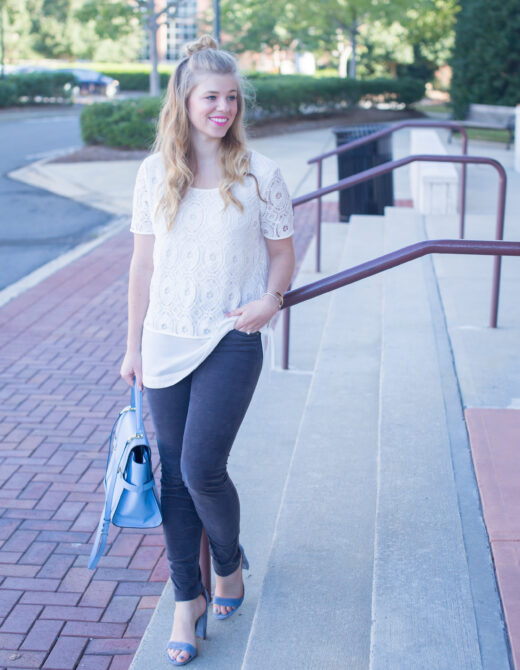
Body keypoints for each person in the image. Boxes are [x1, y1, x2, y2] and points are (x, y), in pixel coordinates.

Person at [120, 34, 295, 666]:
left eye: (230, 98)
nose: (222, 108)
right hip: (165, 338)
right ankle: (185, 601)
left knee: (200, 469)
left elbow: (282, 256)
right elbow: (142, 265)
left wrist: (271, 301)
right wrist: (132, 346)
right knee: (173, 477)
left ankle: (228, 561)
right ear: (185, 101)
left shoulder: (261, 174)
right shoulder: (154, 173)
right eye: (210, 98)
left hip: (230, 337)